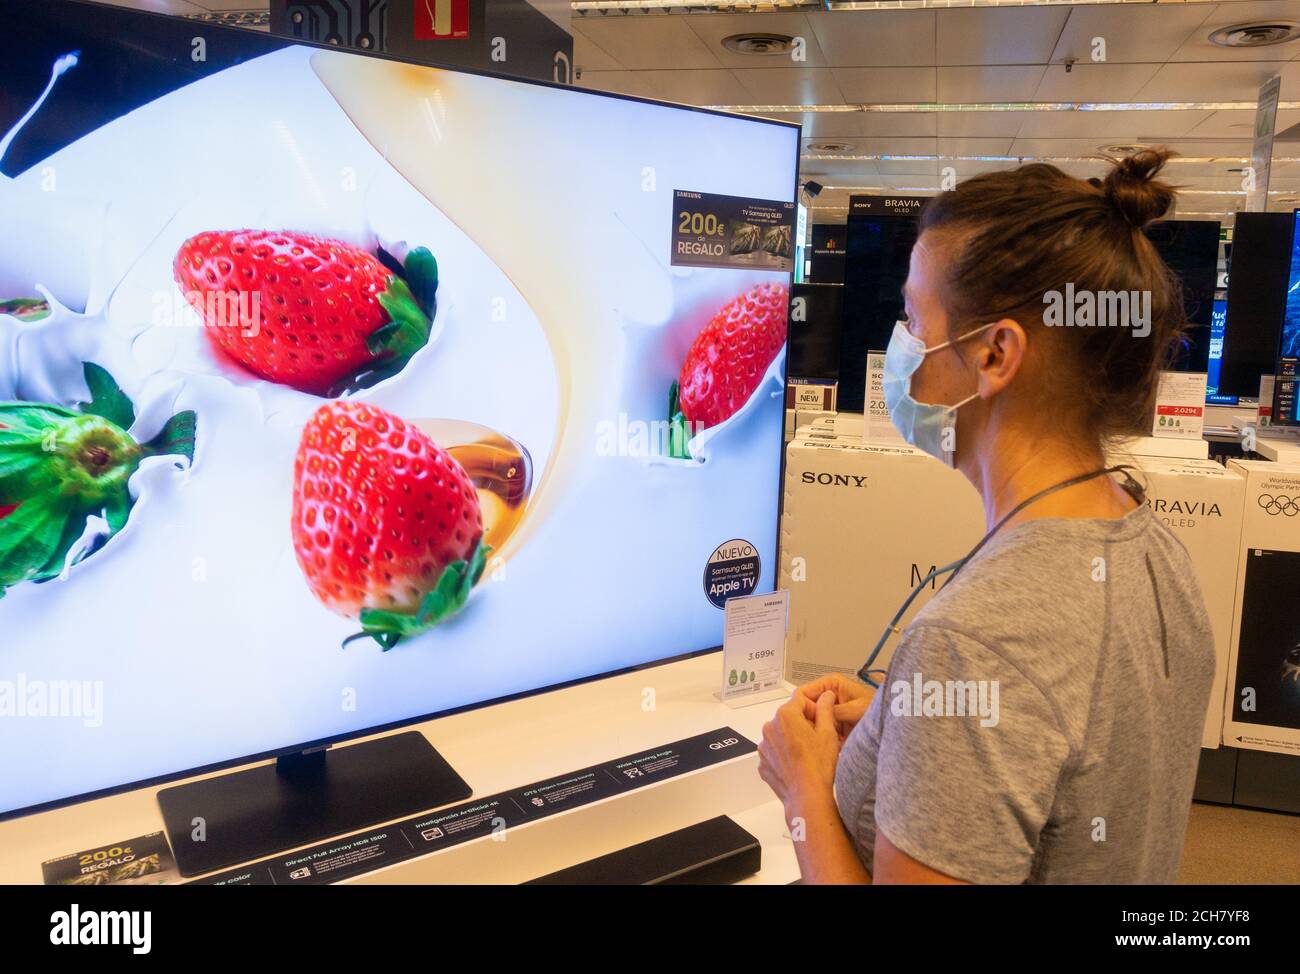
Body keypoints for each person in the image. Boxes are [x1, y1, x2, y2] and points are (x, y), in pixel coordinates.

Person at [758, 149, 1216, 884]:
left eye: (913, 317)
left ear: (996, 352)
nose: (901, 348)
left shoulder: (975, 640)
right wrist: (904, 723)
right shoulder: (1154, 546)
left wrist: (803, 788)